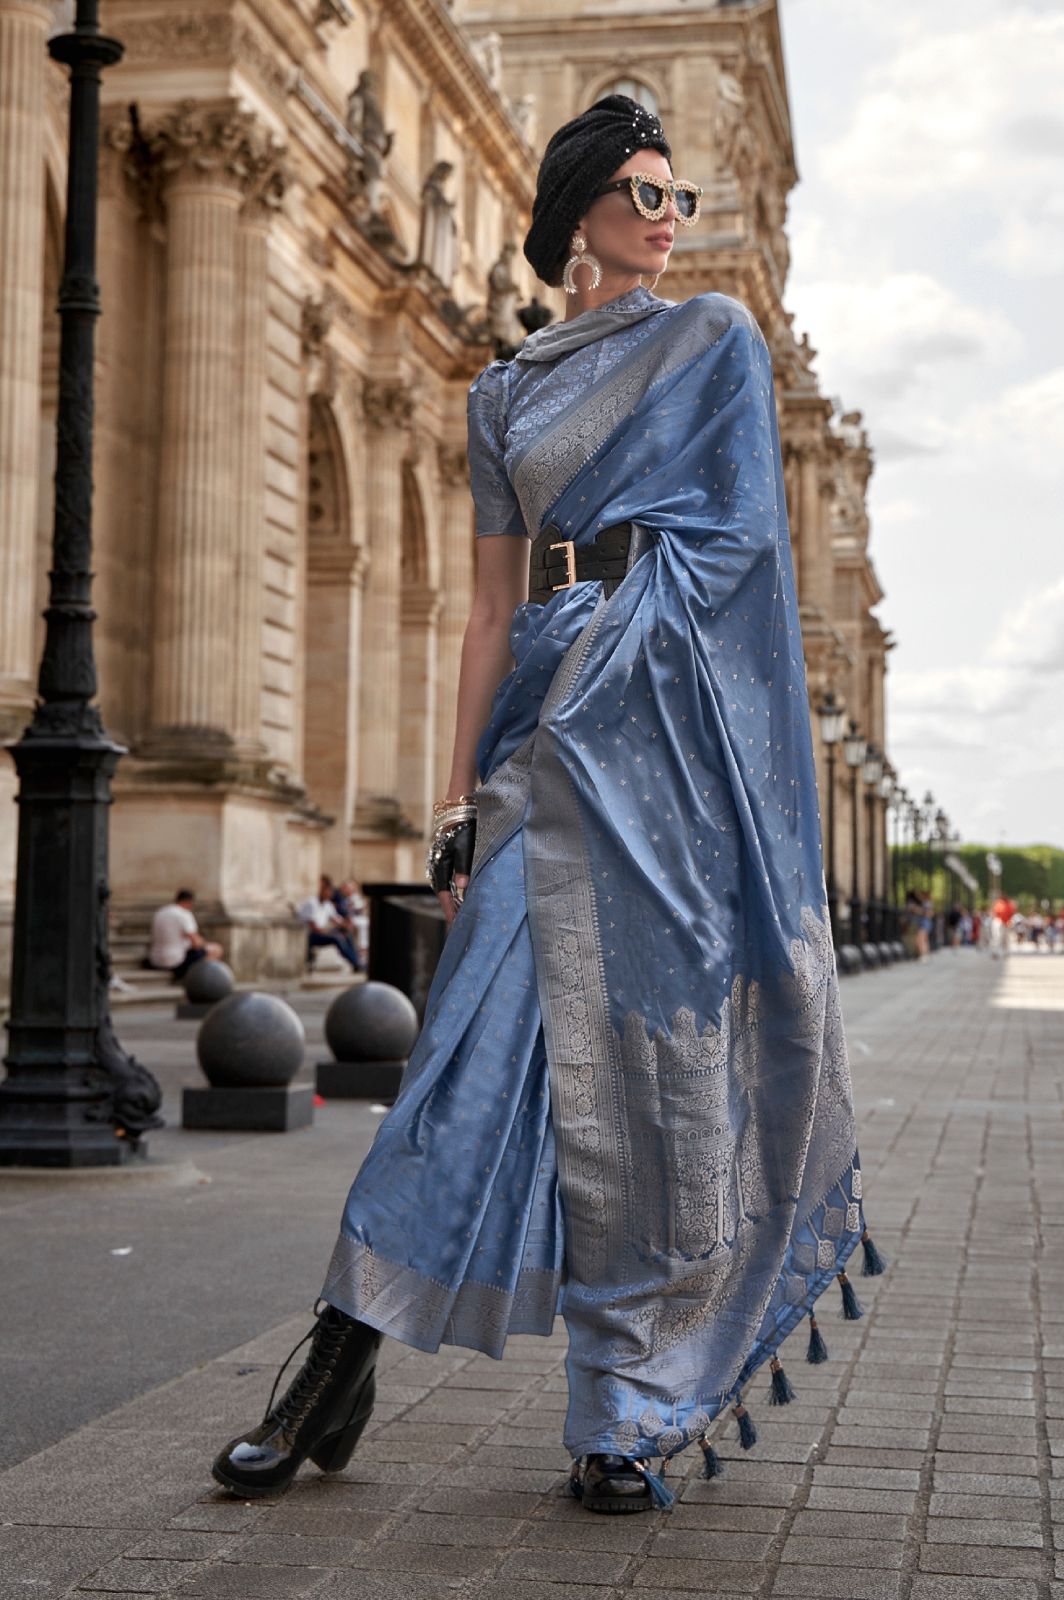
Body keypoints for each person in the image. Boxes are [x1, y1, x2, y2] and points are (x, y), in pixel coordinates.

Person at [211, 93, 883, 1516]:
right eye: (644, 192)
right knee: (455, 1057)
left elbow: (743, 552)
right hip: (545, 740)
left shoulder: (715, 340)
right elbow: (485, 608)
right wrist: (458, 792)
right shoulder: (503, 392)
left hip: (665, 753)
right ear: (577, 211)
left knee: (651, 1079)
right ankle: (337, 1360)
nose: (669, 216)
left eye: (679, 196)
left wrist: (632, 646)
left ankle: (623, 1413)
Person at [145, 889, 223, 983]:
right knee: (215, 949)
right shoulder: (184, 914)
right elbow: (196, 943)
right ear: (189, 902)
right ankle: (204, 981)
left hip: (155, 960)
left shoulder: (160, 912)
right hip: (175, 962)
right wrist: (204, 943)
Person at [299, 880, 363, 974]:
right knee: (337, 938)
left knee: (347, 935)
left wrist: (347, 925)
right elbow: (313, 926)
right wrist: (330, 932)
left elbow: (336, 919)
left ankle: (356, 962)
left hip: (321, 932)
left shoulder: (327, 904)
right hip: (310, 935)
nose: (330, 895)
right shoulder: (312, 903)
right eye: (328, 892)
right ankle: (355, 962)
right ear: (322, 891)